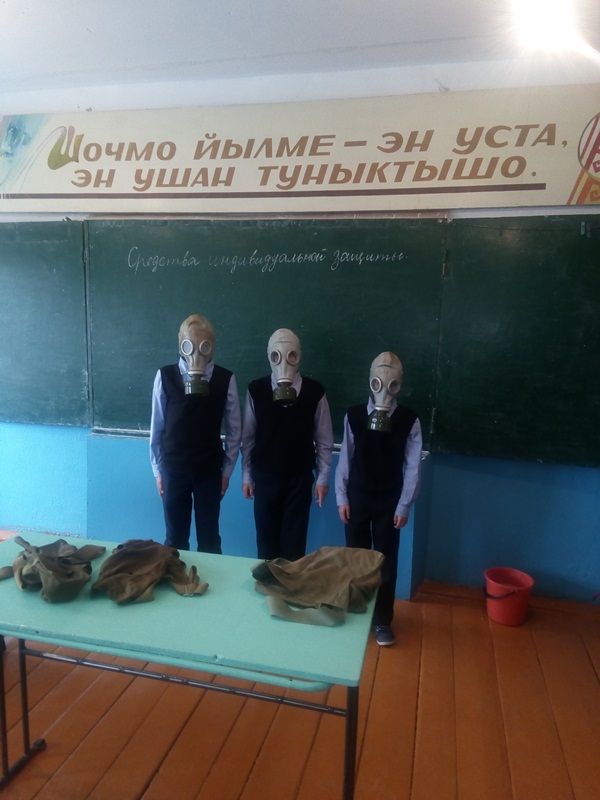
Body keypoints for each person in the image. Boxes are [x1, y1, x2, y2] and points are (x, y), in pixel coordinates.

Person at [335, 352, 422, 646]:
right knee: (356, 560)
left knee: (386, 563)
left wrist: (404, 504)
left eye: (392, 384)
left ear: (399, 385)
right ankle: (357, 614)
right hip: (357, 497)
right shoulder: (354, 415)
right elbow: (345, 459)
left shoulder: (408, 420)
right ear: (370, 381)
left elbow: (413, 466)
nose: (384, 388)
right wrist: (341, 497)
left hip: (389, 502)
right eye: (378, 382)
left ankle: (382, 619)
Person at [150, 314, 241, 554]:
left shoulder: (225, 379)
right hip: (174, 469)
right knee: (175, 539)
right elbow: (157, 427)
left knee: (209, 539)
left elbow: (235, 431)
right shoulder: (165, 376)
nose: (197, 353)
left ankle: (210, 578)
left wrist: (227, 472)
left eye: (204, 346)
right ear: (182, 346)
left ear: (212, 346)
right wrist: (158, 470)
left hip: (208, 471)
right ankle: (175, 575)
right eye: (190, 346)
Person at [242, 328, 334, 561]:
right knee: (266, 545)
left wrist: (323, 478)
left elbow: (324, 439)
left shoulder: (315, 392)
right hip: (265, 477)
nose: (284, 361)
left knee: (294, 547)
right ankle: (267, 583)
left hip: (299, 480)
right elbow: (248, 437)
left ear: (299, 356)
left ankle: (291, 583)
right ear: (269, 357)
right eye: (277, 355)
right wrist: (247, 475)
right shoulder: (256, 390)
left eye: (291, 355)